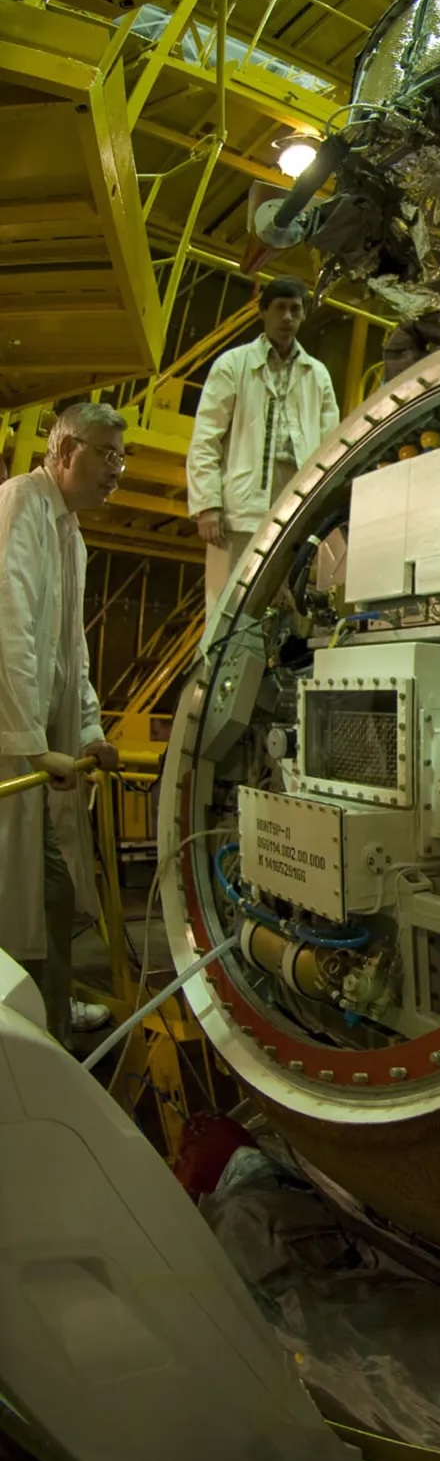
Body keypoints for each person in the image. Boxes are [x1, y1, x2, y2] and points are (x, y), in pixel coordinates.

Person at [0, 402, 124, 1045]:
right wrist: (27, 744)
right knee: (33, 894)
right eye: (107, 455)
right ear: (66, 450)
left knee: (44, 895)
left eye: (121, 458)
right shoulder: (21, 504)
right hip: (10, 750)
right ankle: (35, 1034)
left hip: (31, 750)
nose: (117, 471)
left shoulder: (68, 531)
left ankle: (43, 1020)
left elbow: (69, 650)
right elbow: (8, 627)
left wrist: (85, 732)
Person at [187, 277, 340, 611]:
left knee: (286, 604)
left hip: (296, 500)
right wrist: (207, 505)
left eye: (295, 309)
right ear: (263, 312)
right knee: (227, 606)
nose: (287, 317)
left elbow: (332, 447)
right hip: (238, 507)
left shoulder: (318, 375)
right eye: (280, 308)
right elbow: (206, 438)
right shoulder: (233, 365)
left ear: (303, 316)